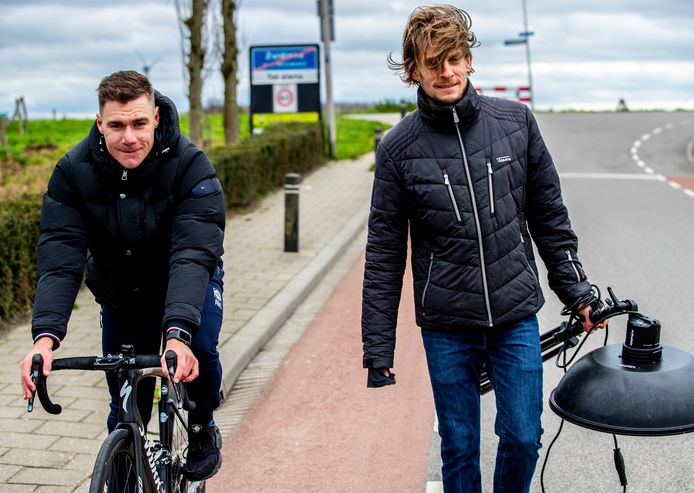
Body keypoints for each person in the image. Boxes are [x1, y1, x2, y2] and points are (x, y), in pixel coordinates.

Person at [361, 5, 605, 492]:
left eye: (454, 58)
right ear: (414, 70)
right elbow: (384, 254)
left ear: (469, 60)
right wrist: (378, 345)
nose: (446, 72)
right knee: (459, 446)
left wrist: (576, 291)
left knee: (522, 436)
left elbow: (550, 219)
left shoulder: (516, 122)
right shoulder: (397, 149)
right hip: (447, 325)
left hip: (514, 315)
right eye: (433, 63)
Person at [20, 70, 225, 481]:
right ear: (100, 123)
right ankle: (128, 456)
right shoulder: (72, 172)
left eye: (138, 123)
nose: (129, 137)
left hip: (183, 282)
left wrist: (176, 334)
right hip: (120, 291)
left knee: (196, 350)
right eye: (116, 125)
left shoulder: (191, 167)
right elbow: (61, 259)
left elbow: (191, 253)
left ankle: (202, 423)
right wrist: (44, 339)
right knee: (125, 403)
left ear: (156, 117)